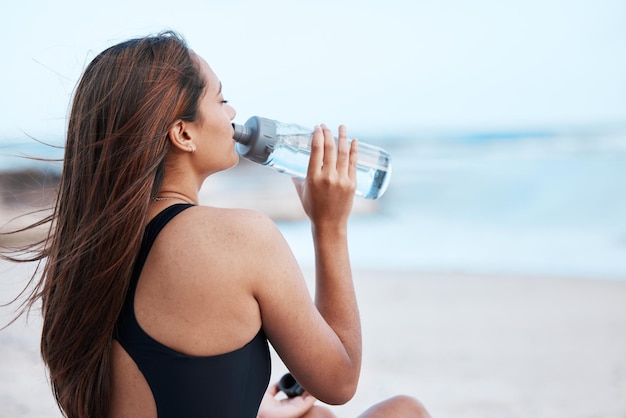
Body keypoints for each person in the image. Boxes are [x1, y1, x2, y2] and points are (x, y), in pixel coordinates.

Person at [2, 31, 430, 418]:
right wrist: (329, 226)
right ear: (183, 133)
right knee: (404, 411)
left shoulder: (87, 254)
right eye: (221, 99)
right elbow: (339, 381)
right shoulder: (237, 237)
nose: (234, 112)